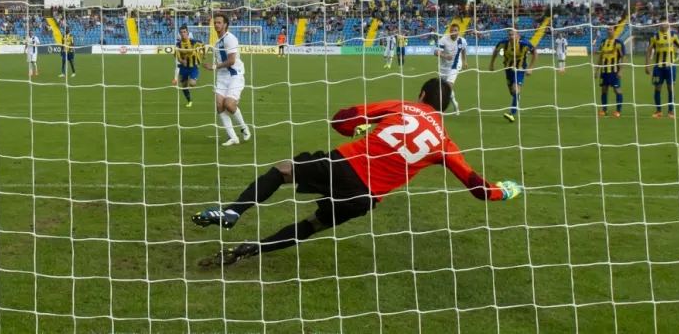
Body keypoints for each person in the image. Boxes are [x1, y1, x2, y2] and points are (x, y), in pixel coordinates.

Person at [191, 78, 521, 266]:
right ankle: (247, 252)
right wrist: (505, 189)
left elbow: (342, 118)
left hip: (346, 165)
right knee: (314, 223)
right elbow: (478, 187)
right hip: (366, 197)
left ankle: (233, 212)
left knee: (283, 170)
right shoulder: (445, 143)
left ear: (421, 95)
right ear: (445, 109)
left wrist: (357, 128)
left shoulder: (403, 107)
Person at [204, 14, 250, 147]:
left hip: (235, 75)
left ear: (225, 25)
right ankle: (233, 137)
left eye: (219, 22)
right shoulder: (217, 43)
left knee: (229, 105)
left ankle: (244, 128)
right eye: (215, 23)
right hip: (222, 77)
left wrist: (213, 67)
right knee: (219, 105)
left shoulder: (230, 39)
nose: (216, 25)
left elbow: (231, 61)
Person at [488, 28, 537, 123]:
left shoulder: (524, 43)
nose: (511, 36)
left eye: (513, 34)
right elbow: (496, 51)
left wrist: (530, 68)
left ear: (517, 35)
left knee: (515, 89)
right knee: (513, 92)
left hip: (520, 69)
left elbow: (535, 52)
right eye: (509, 34)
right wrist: (491, 64)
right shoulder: (504, 43)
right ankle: (516, 97)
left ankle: (512, 114)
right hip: (508, 69)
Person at [645, 21, 679, 118]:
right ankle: (658, 111)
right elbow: (649, 50)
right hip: (658, 67)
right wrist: (647, 64)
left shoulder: (673, 35)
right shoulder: (654, 36)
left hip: (670, 66)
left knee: (670, 88)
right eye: (661, 24)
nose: (663, 25)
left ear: (668, 25)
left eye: (664, 23)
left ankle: (671, 111)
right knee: (657, 88)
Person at [434, 23, 468, 114]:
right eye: (452, 30)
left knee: (447, 87)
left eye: (455, 30)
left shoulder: (462, 41)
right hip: (443, 67)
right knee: (444, 87)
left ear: (459, 31)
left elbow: (464, 49)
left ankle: (441, 108)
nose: (453, 32)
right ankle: (455, 103)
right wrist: (445, 56)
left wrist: (464, 61)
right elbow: (436, 52)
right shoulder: (443, 39)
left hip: (455, 65)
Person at [595, 26, 626, 117]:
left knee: (617, 90)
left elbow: (623, 57)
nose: (609, 31)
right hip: (604, 71)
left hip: (614, 71)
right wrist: (596, 70)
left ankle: (618, 111)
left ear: (614, 31)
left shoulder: (618, 42)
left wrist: (621, 71)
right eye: (608, 30)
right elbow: (600, 57)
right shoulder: (603, 42)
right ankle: (604, 110)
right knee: (604, 90)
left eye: (611, 29)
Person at [176, 25, 203, 108]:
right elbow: (178, 56)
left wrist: (203, 54)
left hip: (193, 67)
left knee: (192, 84)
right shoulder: (178, 44)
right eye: (181, 32)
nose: (183, 34)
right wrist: (181, 61)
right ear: (179, 34)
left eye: (184, 32)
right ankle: (189, 100)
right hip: (183, 68)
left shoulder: (194, 42)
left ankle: (193, 77)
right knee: (184, 87)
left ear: (187, 33)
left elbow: (203, 45)